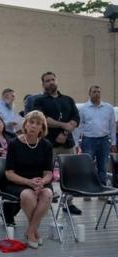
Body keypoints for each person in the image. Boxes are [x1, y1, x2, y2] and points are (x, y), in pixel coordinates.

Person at [32, 71, 81, 215]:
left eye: (52, 79)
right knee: (45, 174)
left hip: (67, 143)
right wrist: (64, 125)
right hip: (48, 144)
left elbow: (76, 119)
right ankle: (45, 201)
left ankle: (68, 203)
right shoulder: (39, 101)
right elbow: (43, 120)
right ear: (43, 84)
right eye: (47, 81)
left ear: (56, 81)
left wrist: (65, 132)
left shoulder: (68, 100)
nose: (50, 82)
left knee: (71, 174)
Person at [4, 110, 53, 249]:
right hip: (18, 182)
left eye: (38, 124)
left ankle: (30, 230)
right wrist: (28, 182)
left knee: (48, 194)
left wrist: (42, 182)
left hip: (39, 182)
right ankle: (34, 231)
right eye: (31, 122)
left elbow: (49, 173)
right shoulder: (14, 144)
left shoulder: (46, 145)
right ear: (25, 125)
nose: (33, 126)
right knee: (28, 195)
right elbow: (9, 173)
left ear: (42, 129)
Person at [76, 85, 116, 187]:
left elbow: (112, 126)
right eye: (94, 92)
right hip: (88, 140)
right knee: (87, 166)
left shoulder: (108, 108)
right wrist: (76, 143)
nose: (97, 94)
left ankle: (102, 187)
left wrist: (114, 142)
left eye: (98, 92)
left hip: (104, 140)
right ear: (89, 94)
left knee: (103, 166)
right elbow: (78, 127)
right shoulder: (83, 109)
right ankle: (87, 188)